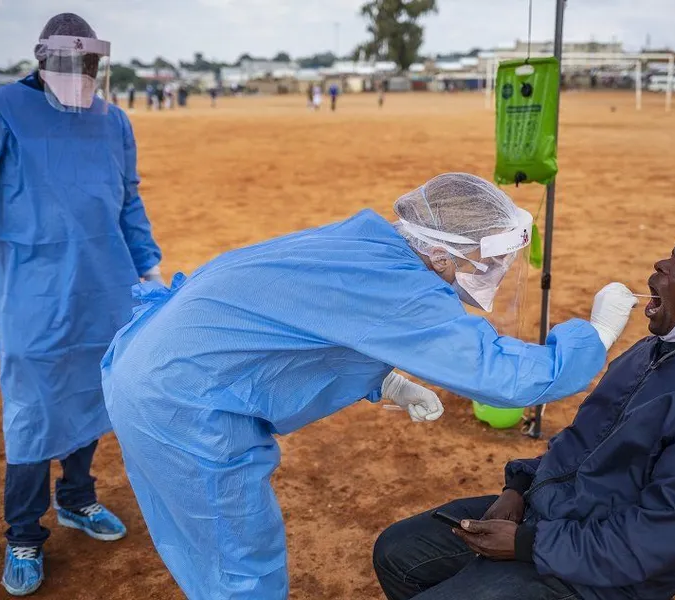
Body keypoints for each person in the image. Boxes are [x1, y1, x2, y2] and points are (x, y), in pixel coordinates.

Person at [101, 173, 637, 600]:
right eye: (491, 258)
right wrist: (595, 335)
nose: (496, 270)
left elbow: (310, 324)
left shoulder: (372, 243)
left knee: (208, 548)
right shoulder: (403, 288)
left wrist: (386, 382)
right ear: (445, 251)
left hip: (152, 361)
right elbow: (510, 379)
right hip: (181, 401)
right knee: (234, 560)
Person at [374, 225, 675, 600]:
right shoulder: (650, 354)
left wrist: (526, 545)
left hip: (605, 577)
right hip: (552, 516)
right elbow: (579, 443)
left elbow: (659, 537)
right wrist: (519, 487)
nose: (661, 265)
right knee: (395, 552)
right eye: (671, 255)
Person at [0, 13, 163, 597]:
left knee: (92, 392)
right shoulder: (4, 110)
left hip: (104, 285)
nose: (79, 74)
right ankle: (22, 532)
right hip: (33, 292)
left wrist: (148, 264)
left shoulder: (113, 121)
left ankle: (78, 498)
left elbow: (127, 200)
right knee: (33, 409)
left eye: (88, 64)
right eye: (69, 63)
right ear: (43, 60)